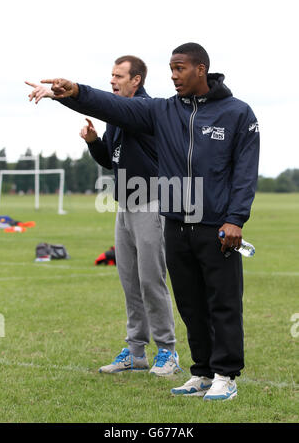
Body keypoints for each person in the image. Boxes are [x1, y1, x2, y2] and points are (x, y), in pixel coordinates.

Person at [27, 42, 260, 400]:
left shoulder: (237, 113)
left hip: (215, 225)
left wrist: (235, 219)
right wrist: (74, 92)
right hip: (174, 221)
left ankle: (225, 376)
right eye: (171, 68)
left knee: (223, 302)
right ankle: (200, 372)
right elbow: (113, 105)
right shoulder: (163, 111)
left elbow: (245, 172)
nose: (173, 75)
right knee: (189, 302)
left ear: (201, 69)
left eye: (180, 68)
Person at [26, 56, 180, 377]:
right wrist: (94, 142)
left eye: (118, 75)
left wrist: (66, 93)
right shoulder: (118, 115)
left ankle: (167, 351)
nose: (112, 80)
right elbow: (111, 159)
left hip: (151, 206)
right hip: (124, 207)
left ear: (136, 81)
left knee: (152, 282)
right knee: (130, 283)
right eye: (111, 74)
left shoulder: (144, 109)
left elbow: (105, 104)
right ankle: (136, 352)